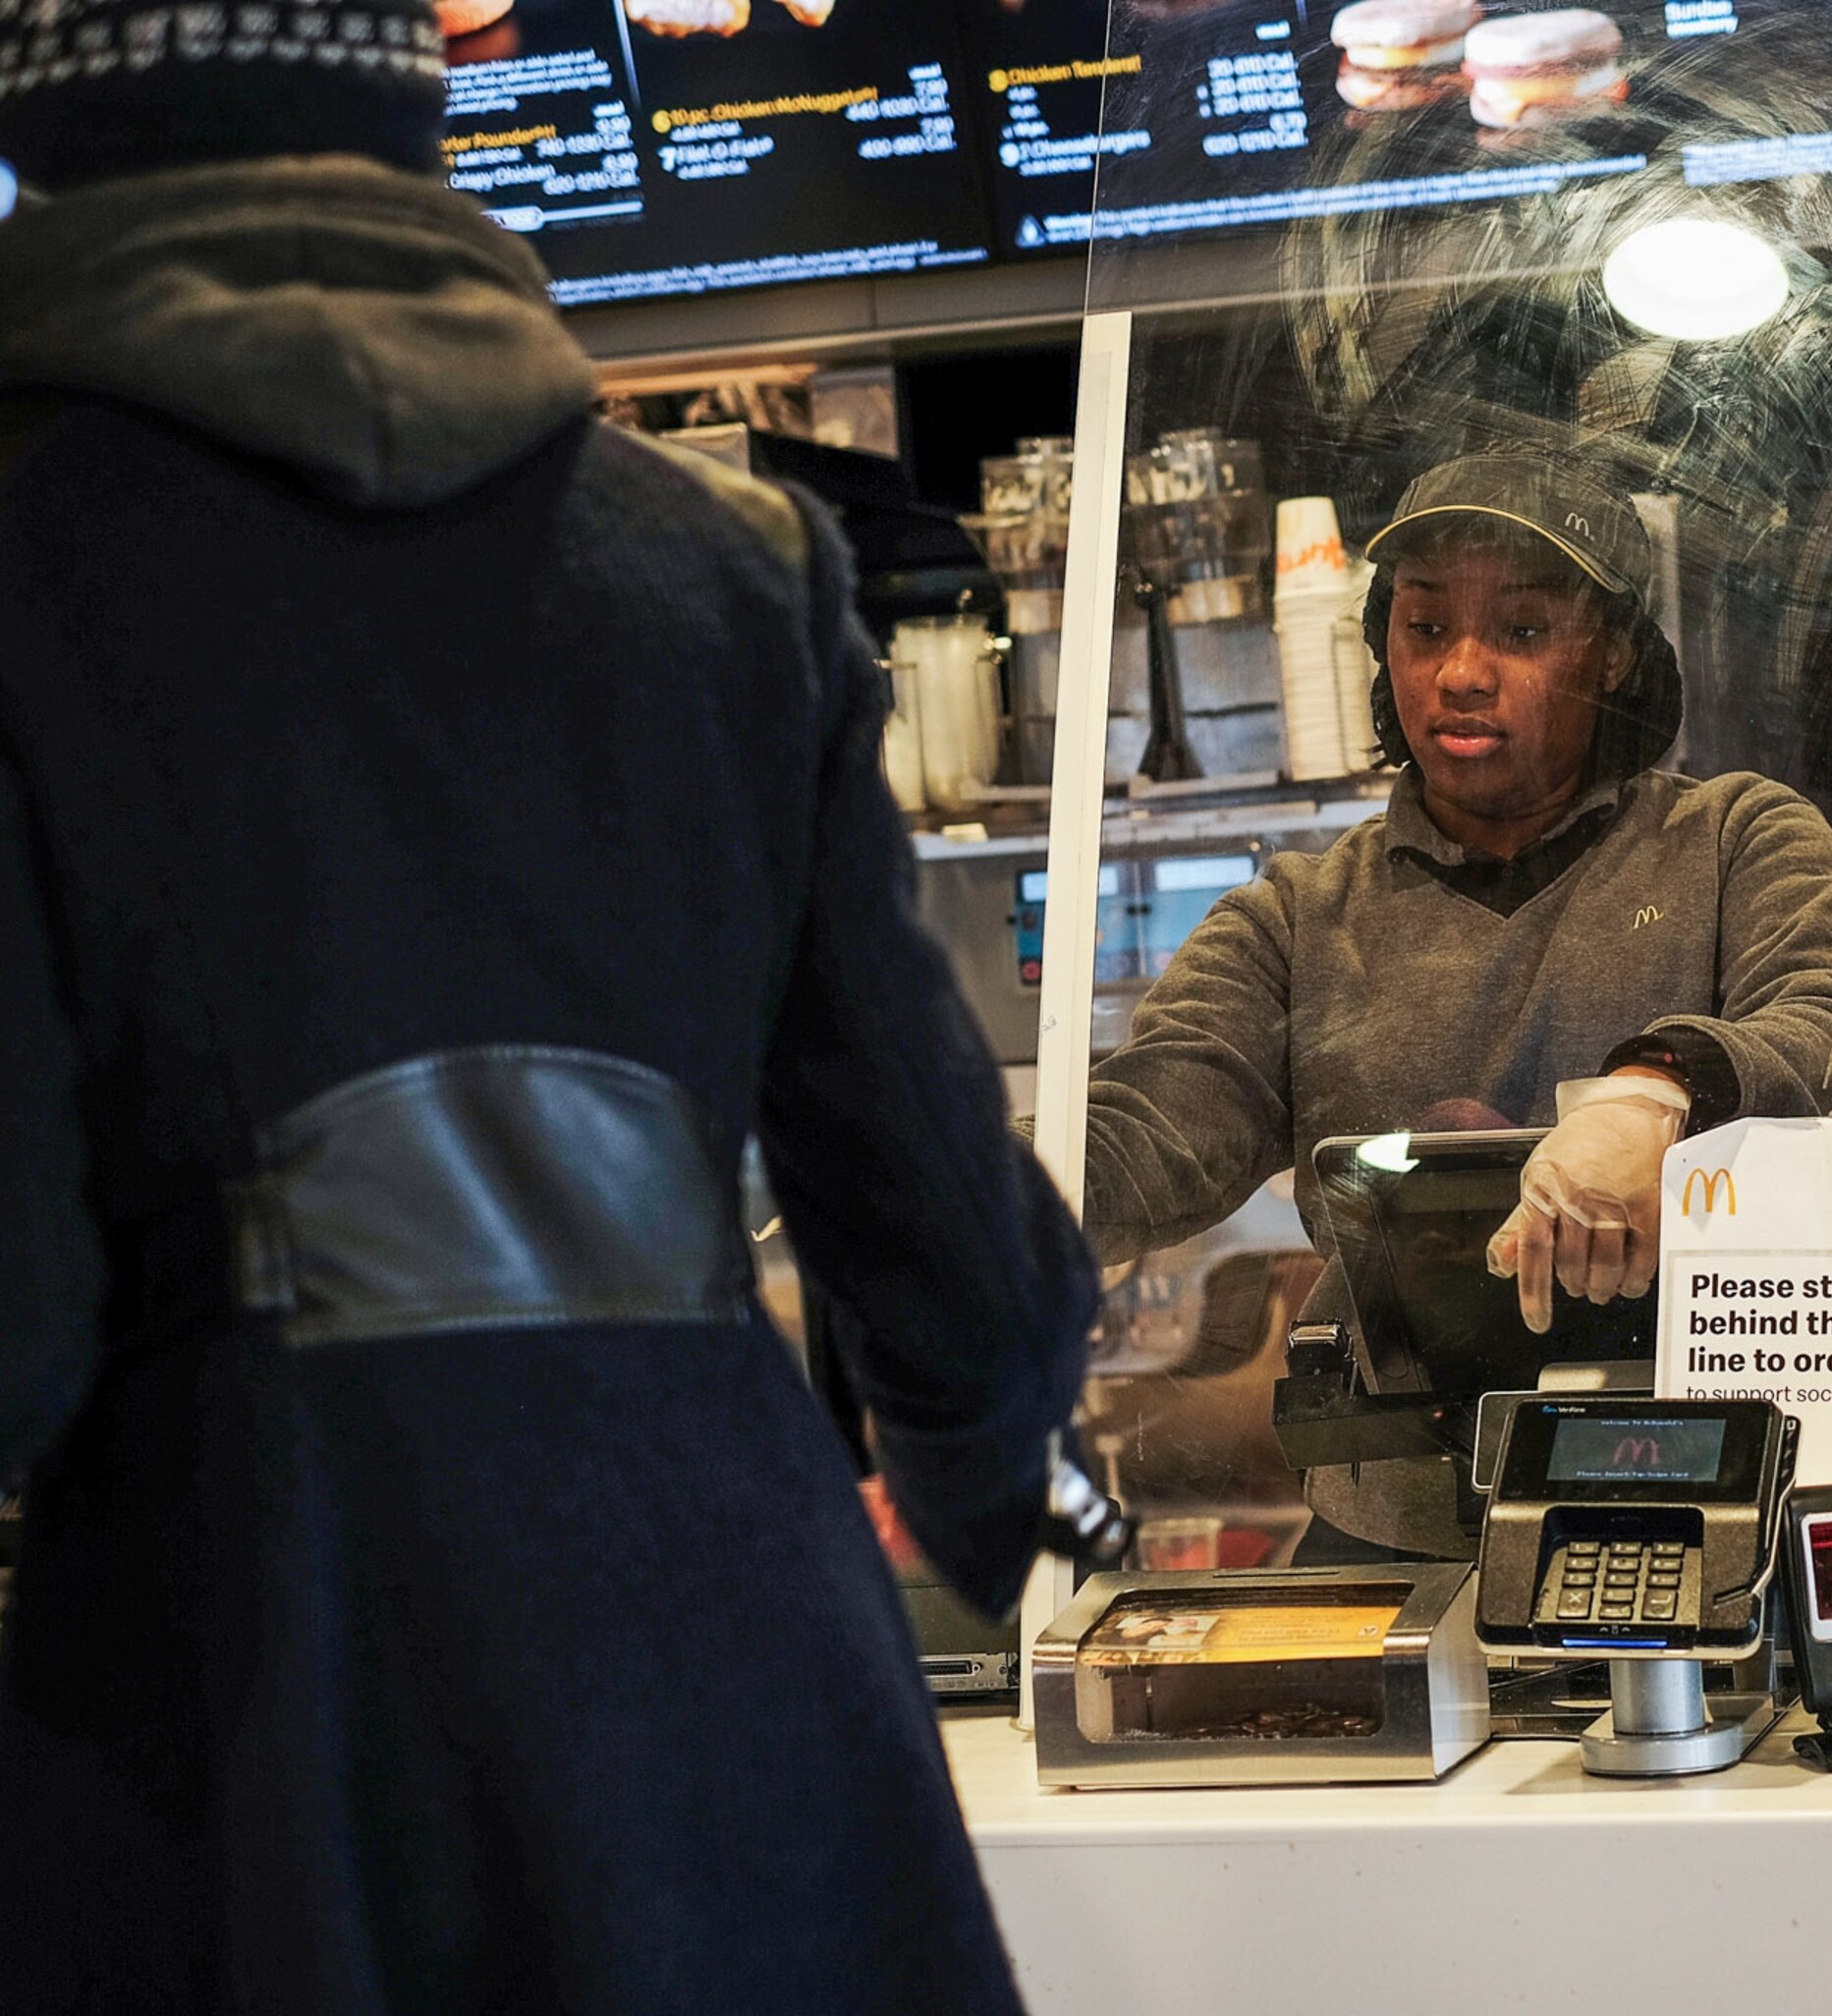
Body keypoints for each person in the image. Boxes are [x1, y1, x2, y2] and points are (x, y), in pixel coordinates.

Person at [0, 22, 1097, 2015]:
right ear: (412, 98)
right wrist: (975, 1500)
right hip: (749, 1726)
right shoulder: (726, 572)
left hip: (263, 1749)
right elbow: (960, 1262)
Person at [1078, 452, 1832, 1555]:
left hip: (1706, 1499)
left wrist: (1660, 1091)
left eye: (1521, 632)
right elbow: (1155, 1122)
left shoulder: (1733, 841)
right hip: (1403, 1523)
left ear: (1612, 651)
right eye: (1426, 631)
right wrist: (956, 1185)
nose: (1462, 673)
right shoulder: (1299, 915)